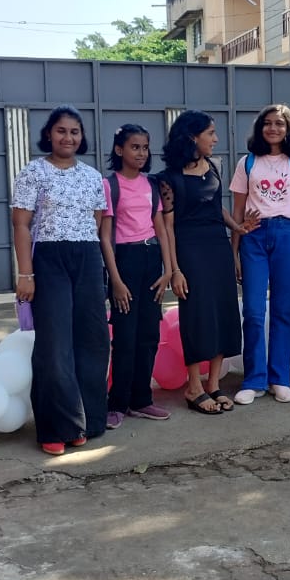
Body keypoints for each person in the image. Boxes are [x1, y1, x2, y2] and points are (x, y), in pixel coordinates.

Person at [10, 106, 109, 455]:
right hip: (49, 260)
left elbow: (97, 221)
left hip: (87, 257)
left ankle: (86, 419)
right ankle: (57, 427)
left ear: (82, 137)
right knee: (54, 343)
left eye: (75, 131)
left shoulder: (93, 177)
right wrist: (26, 273)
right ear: (49, 134)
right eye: (61, 130)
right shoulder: (33, 172)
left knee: (92, 339)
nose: (68, 137)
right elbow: (21, 224)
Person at [159, 110, 255, 414]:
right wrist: (175, 270)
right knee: (197, 316)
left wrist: (237, 227)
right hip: (190, 250)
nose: (216, 139)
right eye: (210, 133)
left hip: (218, 248)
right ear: (192, 137)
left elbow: (216, 207)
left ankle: (213, 384)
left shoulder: (213, 167)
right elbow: (168, 228)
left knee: (223, 312)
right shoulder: (168, 178)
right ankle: (194, 387)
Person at [230, 104, 290, 405]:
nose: (273, 128)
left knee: (281, 309)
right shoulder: (247, 162)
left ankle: (279, 378)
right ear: (260, 127)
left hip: (288, 235)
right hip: (253, 237)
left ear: (288, 128)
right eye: (267, 123)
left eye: (279, 123)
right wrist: (234, 252)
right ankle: (254, 380)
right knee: (253, 311)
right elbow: (237, 211)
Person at [99, 124, 173, 429]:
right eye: (134, 147)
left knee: (149, 335)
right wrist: (115, 281)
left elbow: (161, 229)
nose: (141, 153)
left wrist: (168, 270)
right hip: (125, 263)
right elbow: (105, 237)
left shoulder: (151, 185)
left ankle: (141, 400)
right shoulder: (109, 185)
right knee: (125, 337)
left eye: (145, 147)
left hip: (151, 259)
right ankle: (117, 403)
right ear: (119, 150)